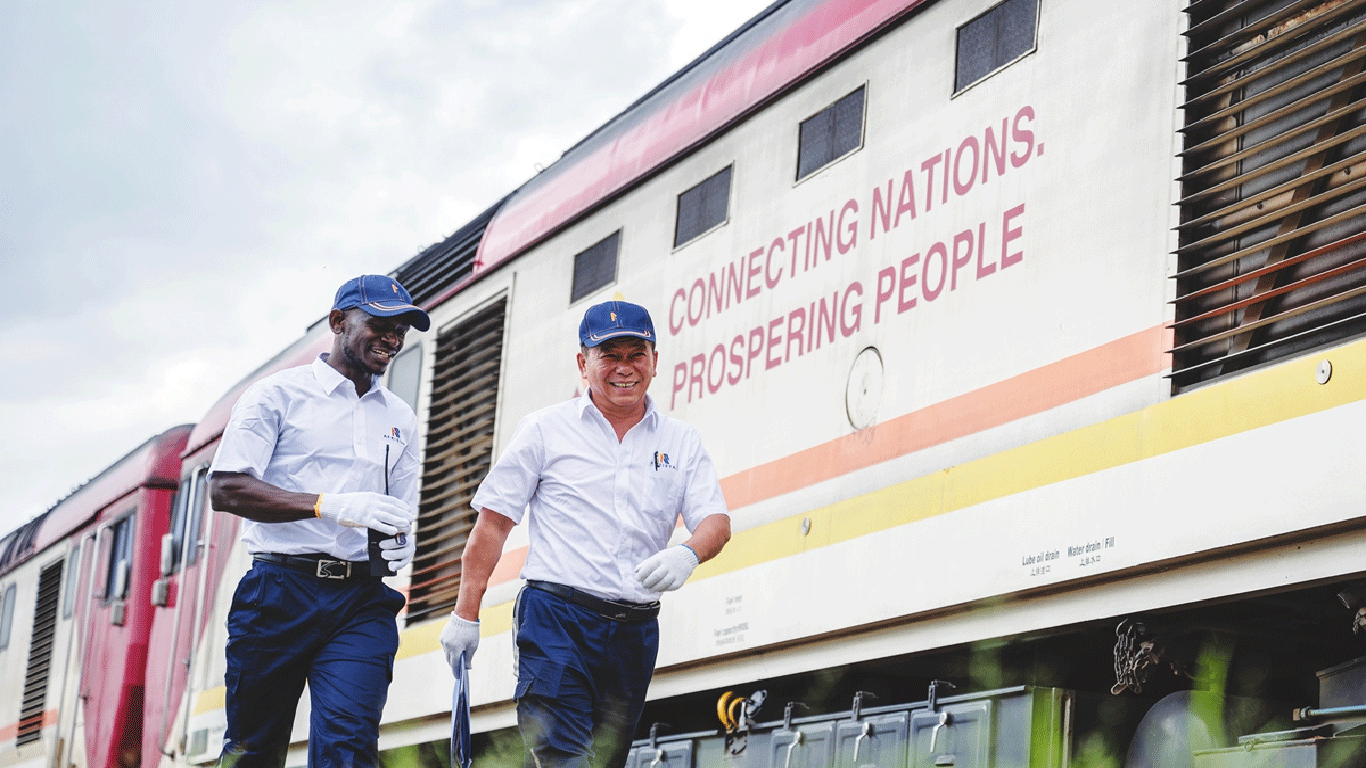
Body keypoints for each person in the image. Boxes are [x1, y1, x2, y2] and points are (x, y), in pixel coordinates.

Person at [439, 300, 732, 768]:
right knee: (565, 758)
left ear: (654, 360)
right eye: (608, 355)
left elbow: (716, 522)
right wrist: (465, 614)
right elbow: (493, 525)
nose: (624, 368)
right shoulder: (544, 431)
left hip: (634, 633)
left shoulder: (681, 442)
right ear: (583, 363)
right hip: (556, 620)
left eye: (636, 355)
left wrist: (688, 554)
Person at [208, 274, 431, 768]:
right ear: (338, 322)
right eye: (380, 325)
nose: (393, 339)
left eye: (401, 330)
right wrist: (328, 505)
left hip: (360, 603)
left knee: (349, 748)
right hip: (279, 592)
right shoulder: (275, 397)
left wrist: (399, 542)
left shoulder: (401, 418)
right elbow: (224, 487)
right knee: (252, 751)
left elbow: (399, 509)